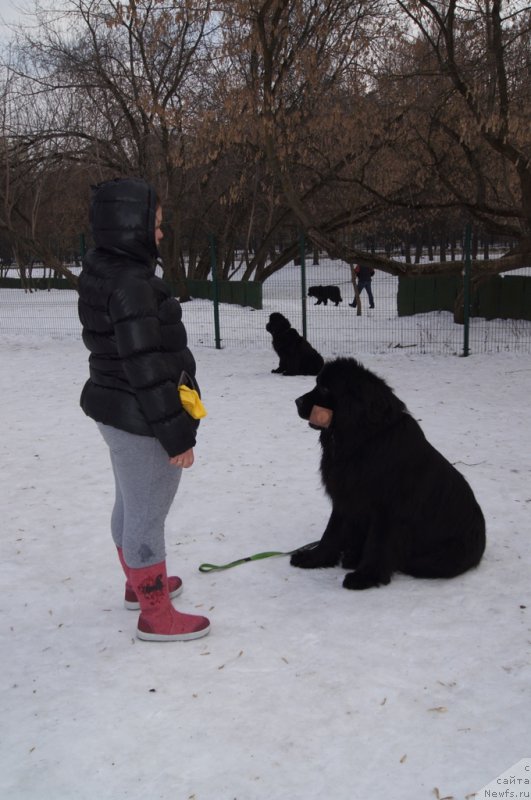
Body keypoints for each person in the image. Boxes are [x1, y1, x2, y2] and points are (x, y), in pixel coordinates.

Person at [77, 177, 210, 642]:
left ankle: (141, 583)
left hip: (117, 411)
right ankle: (156, 613)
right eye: (154, 225)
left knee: (131, 503)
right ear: (129, 226)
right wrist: (178, 438)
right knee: (147, 512)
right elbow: (147, 370)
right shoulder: (131, 285)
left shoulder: (103, 268)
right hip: (142, 418)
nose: (160, 233)